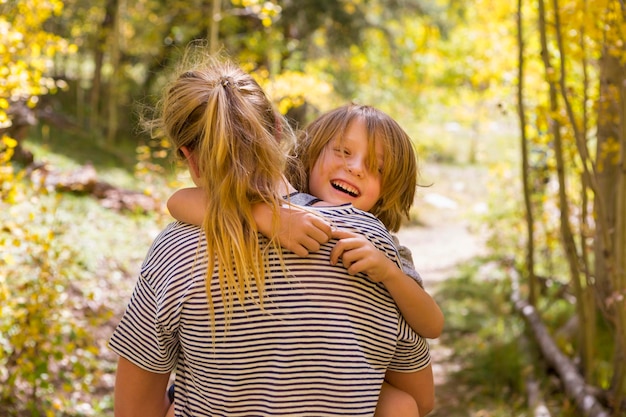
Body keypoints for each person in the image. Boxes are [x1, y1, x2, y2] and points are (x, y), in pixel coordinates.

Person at [109, 50, 432, 417]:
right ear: (278, 130)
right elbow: (418, 400)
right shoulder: (365, 246)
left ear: (190, 158)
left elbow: (133, 410)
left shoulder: (176, 249)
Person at [167, 103, 443, 416]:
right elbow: (178, 201)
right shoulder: (272, 202)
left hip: (338, 387)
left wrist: (390, 274)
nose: (356, 168)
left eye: (377, 168)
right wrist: (263, 217)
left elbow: (432, 325)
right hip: (234, 383)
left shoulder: (383, 247)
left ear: (389, 189)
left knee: (400, 407)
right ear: (310, 152)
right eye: (342, 151)